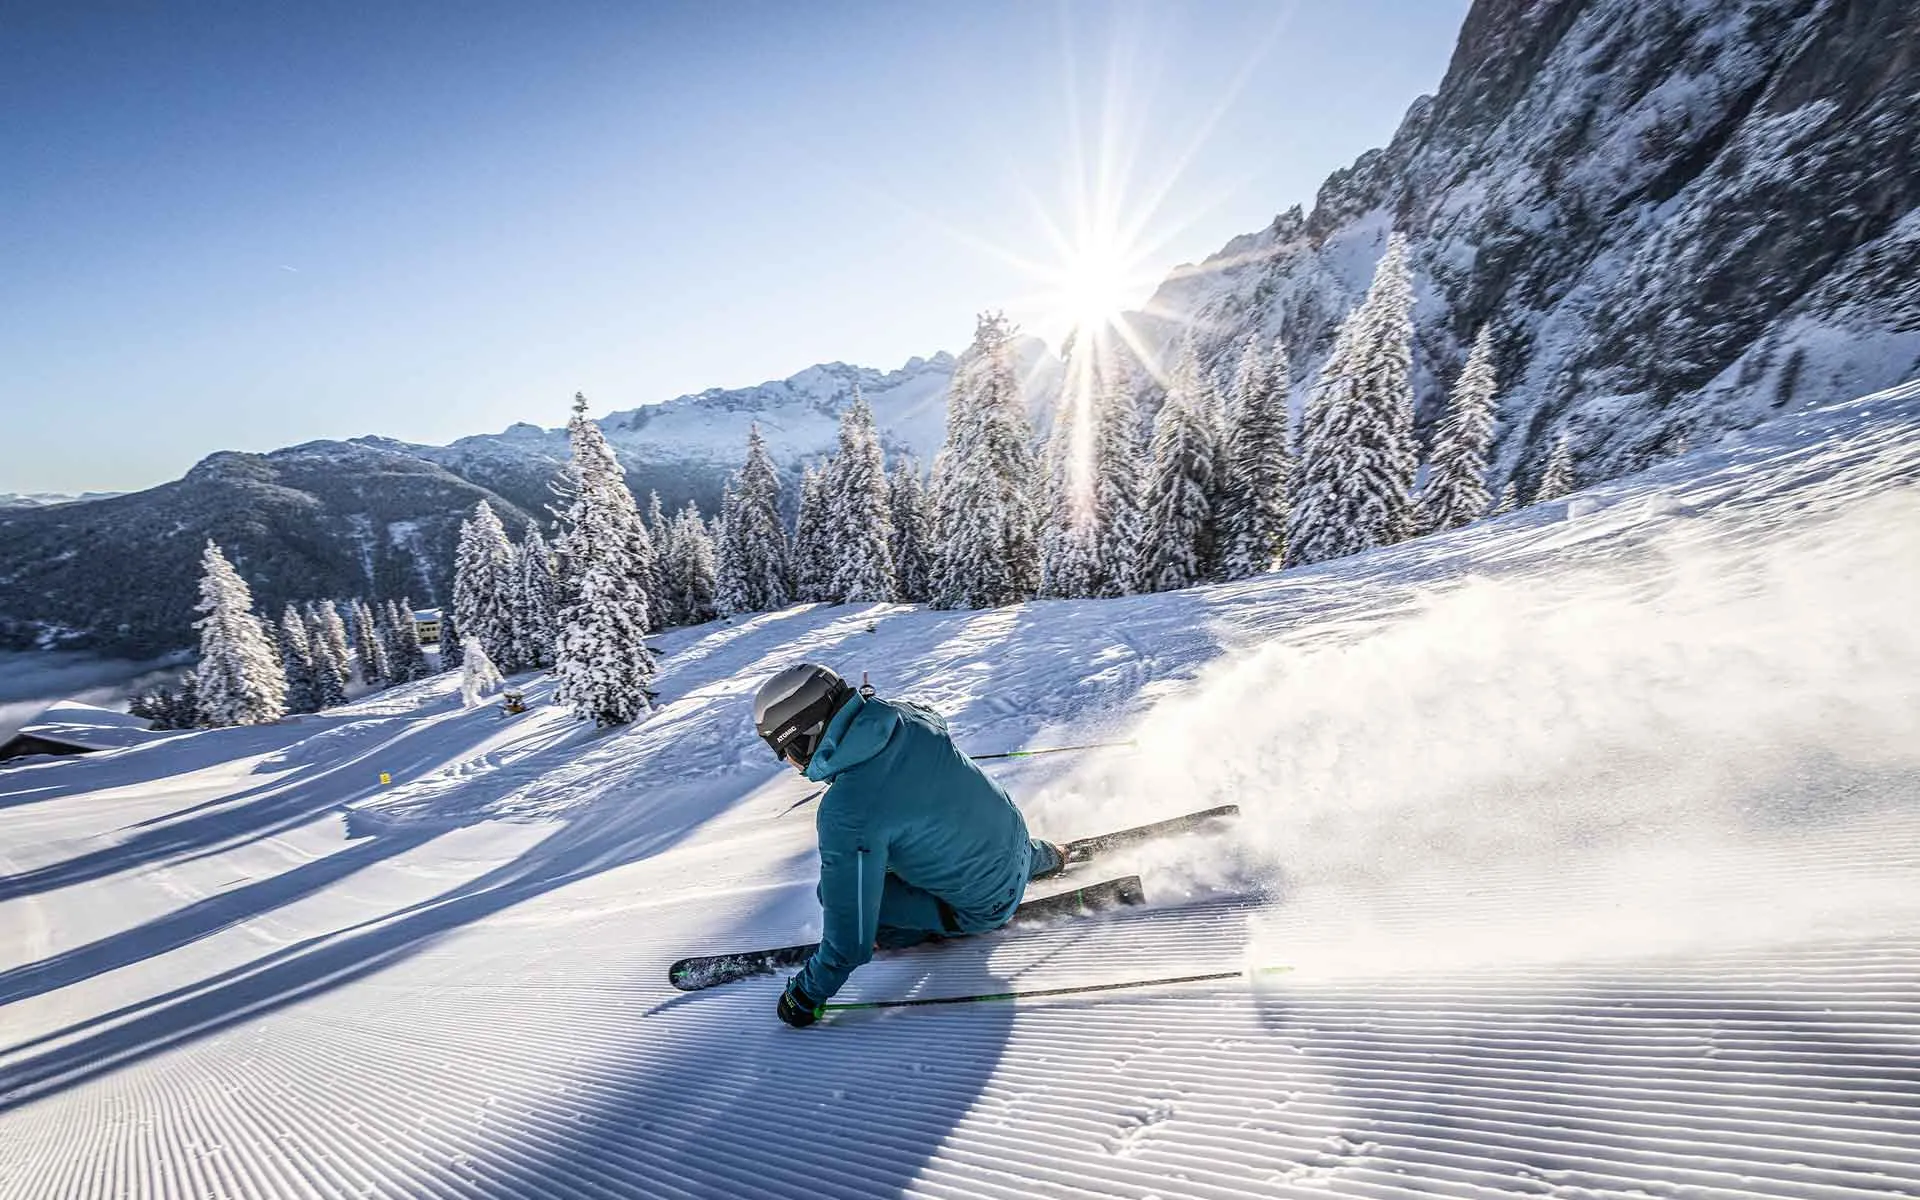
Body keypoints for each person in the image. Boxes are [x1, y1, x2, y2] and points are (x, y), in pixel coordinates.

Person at [753, 663, 1064, 1028]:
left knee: (833, 893)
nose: (787, 763)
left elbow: (849, 939)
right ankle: (1050, 857)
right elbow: (928, 725)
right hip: (1019, 843)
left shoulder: (847, 810)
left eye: (783, 751)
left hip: (986, 906)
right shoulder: (906, 716)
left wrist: (805, 996)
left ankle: (899, 933)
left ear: (805, 737)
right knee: (916, 833)